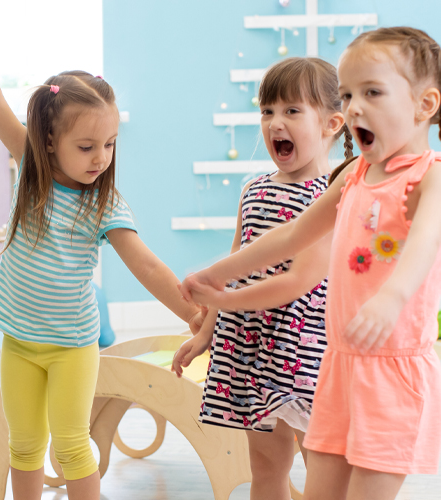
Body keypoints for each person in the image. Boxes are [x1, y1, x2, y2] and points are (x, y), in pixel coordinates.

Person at [0, 19, 204, 500]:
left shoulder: (106, 204)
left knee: (73, 444)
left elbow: (148, 267)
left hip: (72, 345)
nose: (101, 157)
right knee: (25, 445)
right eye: (87, 146)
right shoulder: (31, 166)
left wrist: (197, 318)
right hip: (19, 340)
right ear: (50, 140)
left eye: (110, 144)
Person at [182, 27, 441, 500]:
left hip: (389, 369)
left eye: (372, 92)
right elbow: (292, 235)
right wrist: (216, 276)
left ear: (425, 105)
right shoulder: (354, 176)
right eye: (348, 94)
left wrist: (393, 296)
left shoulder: (431, 178)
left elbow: (425, 243)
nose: (355, 106)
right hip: (338, 366)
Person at [171, 57, 351, 500]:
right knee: (266, 465)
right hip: (250, 348)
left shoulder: (337, 192)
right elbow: (235, 265)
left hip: (307, 349)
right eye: (267, 111)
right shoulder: (253, 189)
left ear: (332, 123)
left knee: (324, 465)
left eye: (291, 111)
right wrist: (206, 334)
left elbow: (312, 277)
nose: (274, 123)